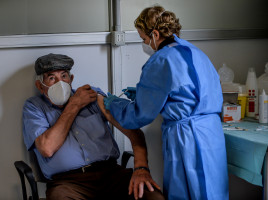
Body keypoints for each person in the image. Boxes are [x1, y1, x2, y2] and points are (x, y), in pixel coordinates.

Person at [101, 5, 229, 200]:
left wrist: (115, 104)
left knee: (188, 192)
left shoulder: (160, 60)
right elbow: (190, 93)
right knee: (214, 192)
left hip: (188, 138)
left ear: (154, 34)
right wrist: (143, 94)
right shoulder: (194, 51)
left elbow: (139, 115)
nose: (145, 44)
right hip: (211, 134)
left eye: (144, 39)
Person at [22, 53, 164, 200]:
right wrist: (74, 105)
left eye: (64, 76)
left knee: (153, 197)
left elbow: (134, 132)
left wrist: (141, 168)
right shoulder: (34, 107)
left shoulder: (91, 95)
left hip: (111, 175)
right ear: (40, 86)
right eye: (52, 78)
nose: (60, 83)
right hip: (68, 184)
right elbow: (47, 148)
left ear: (71, 80)